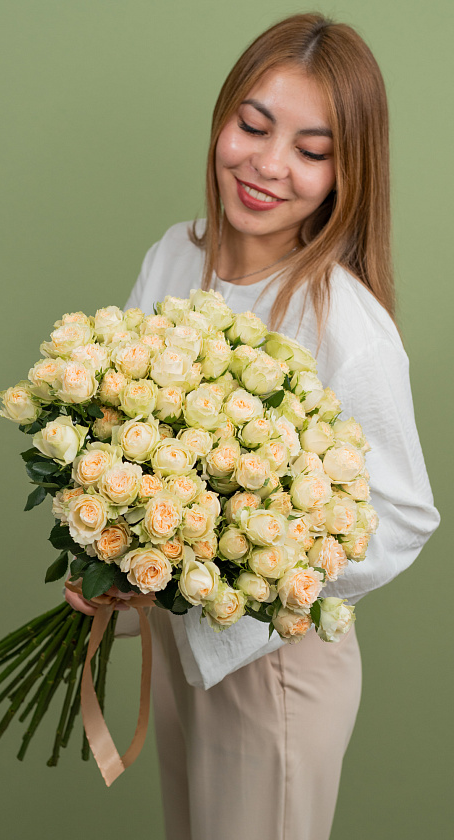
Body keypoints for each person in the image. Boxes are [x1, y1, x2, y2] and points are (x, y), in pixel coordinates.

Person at [66, 12, 440, 840]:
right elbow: (113, 428)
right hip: (179, 646)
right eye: (254, 125)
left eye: (312, 150)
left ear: (348, 173)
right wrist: (116, 558)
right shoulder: (174, 254)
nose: (269, 165)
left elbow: (406, 513)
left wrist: (243, 571)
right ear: (222, 120)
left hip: (274, 670)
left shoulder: (345, 322)